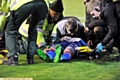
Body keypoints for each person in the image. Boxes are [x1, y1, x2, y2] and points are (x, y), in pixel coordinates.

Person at [2, 0, 48, 66]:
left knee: (10, 30)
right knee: (33, 29)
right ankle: (30, 59)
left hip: (24, 4)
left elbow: (4, 11)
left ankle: (12, 59)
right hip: (42, 4)